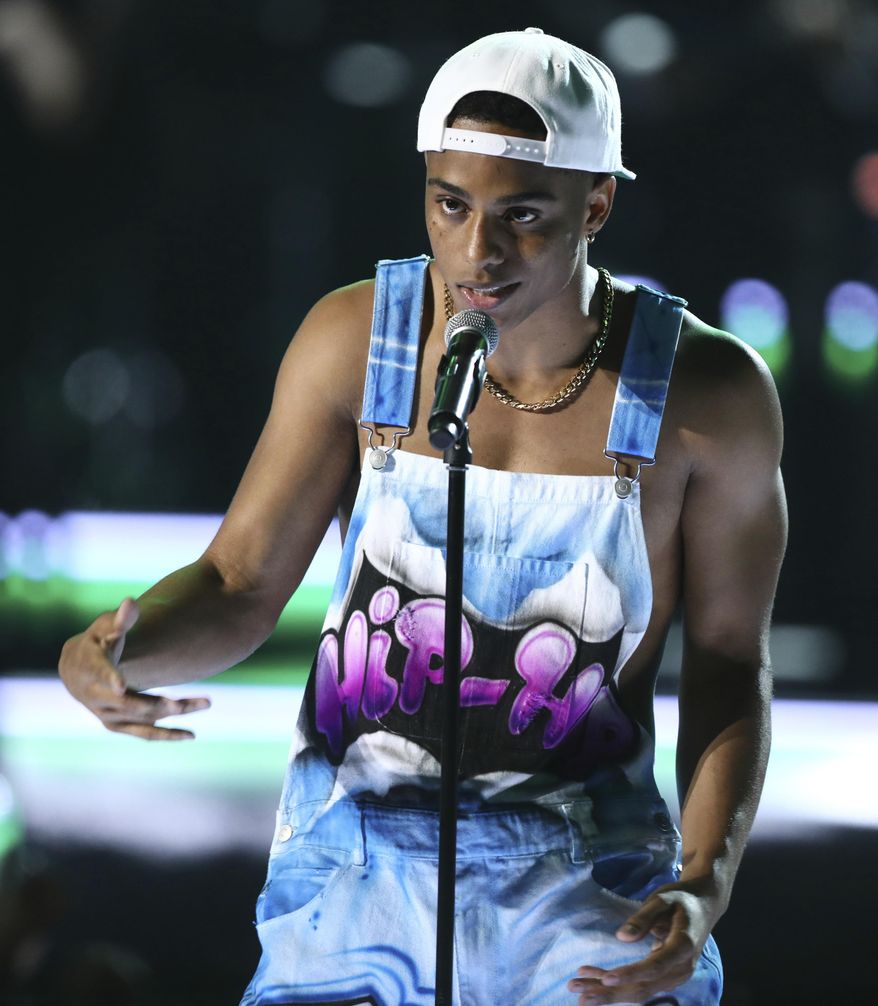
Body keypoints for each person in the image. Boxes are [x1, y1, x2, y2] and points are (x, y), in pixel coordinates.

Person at [58, 26, 787, 1006]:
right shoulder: (354, 340)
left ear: (596, 202)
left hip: (587, 905)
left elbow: (728, 660)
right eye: (450, 204)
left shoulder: (707, 395)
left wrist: (704, 878)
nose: (476, 250)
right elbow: (238, 582)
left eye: (522, 215)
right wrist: (117, 652)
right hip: (349, 894)